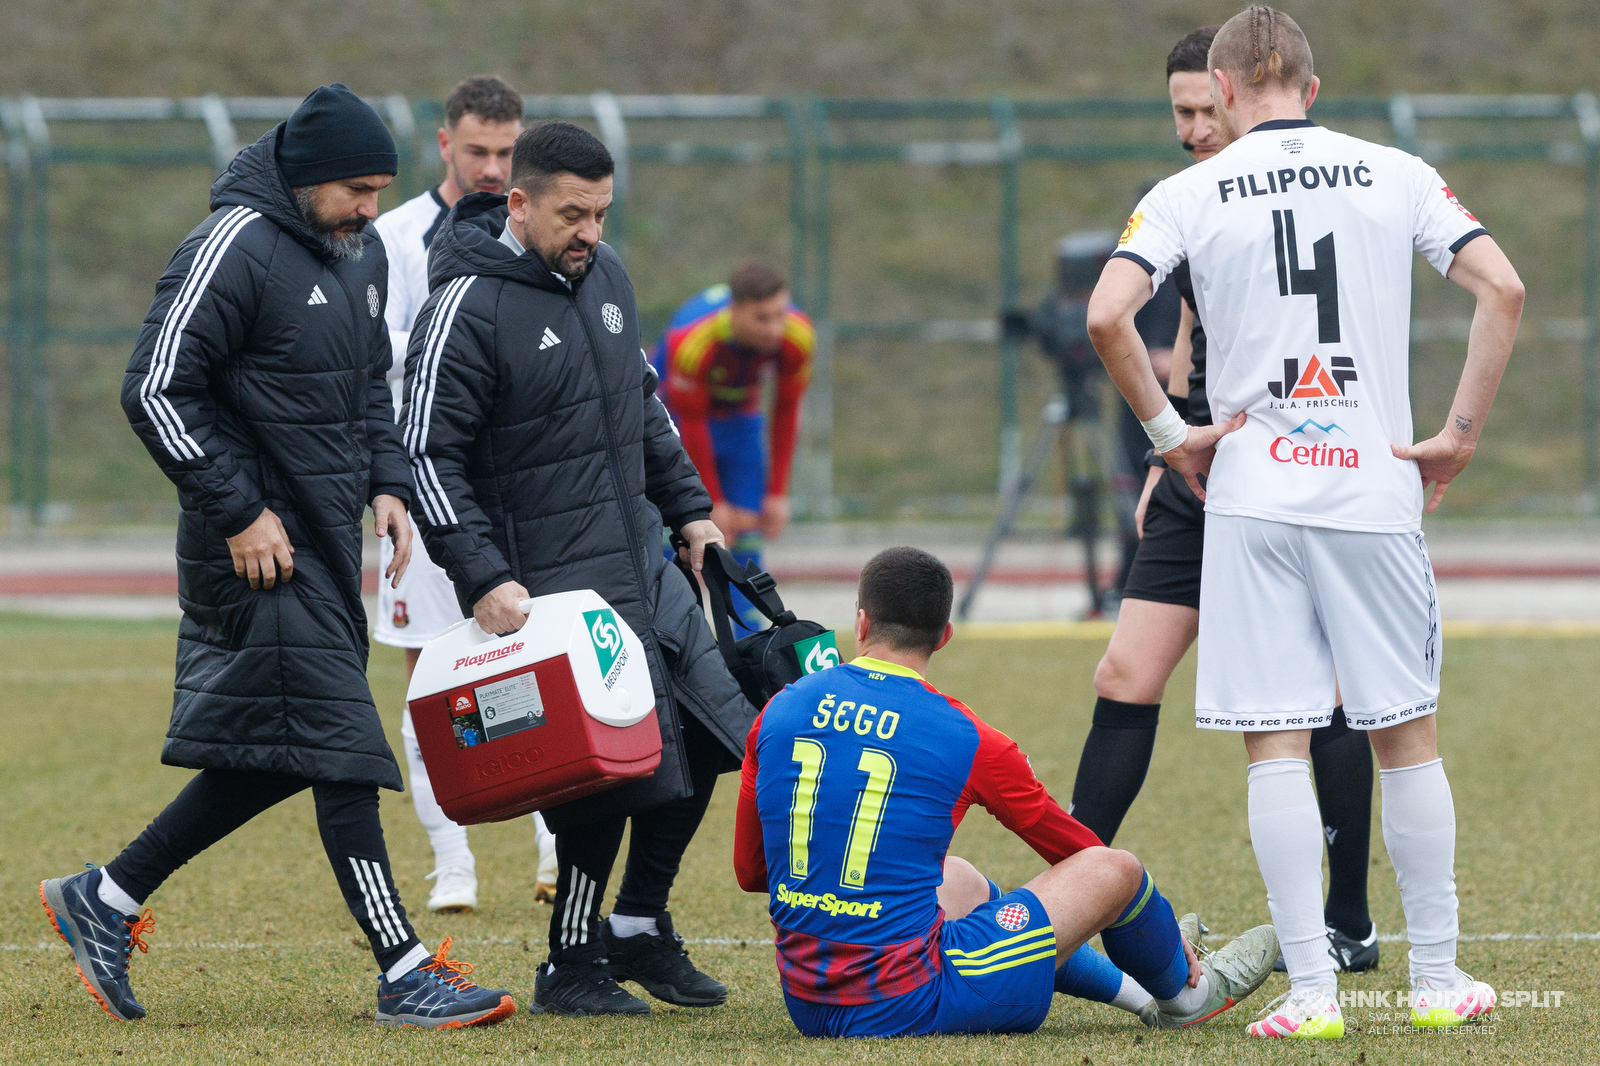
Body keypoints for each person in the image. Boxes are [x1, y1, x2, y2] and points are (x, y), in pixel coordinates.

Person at [1089, 5, 1524, 1038]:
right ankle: (1435, 980)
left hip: (1252, 497)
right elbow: (1501, 287)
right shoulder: (1397, 172)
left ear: (1226, 92)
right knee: (1404, 736)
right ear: (1313, 91)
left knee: (1272, 745)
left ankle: (1312, 997)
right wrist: (1456, 434)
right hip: (1372, 493)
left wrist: (1167, 432)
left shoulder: (1186, 189)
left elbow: (1107, 313)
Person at [42, 84, 513, 1029]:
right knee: (344, 747)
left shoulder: (362, 252)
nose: (373, 210)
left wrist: (386, 481)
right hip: (252, 551)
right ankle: (403, 967)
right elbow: (155, 392)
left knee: (286, 749)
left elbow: (369, 389)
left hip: (328, 543)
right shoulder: (230, 244)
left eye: (381, 190)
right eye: (355, 190)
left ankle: (106, 897)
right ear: (303, 180)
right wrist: (241, 511)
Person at [406, 120, 757, 1016]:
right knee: (604, 776)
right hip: (549, 585)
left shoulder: (607, 277)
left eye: (600, 213)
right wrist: (481, 575)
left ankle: (637, 925)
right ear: (518, 205)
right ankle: (570, 964)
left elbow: (639, 408)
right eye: (572, 214)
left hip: (643, 556)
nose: (589, 232)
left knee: (717, 735)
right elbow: (424, 454)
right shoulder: (465, 308)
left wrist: (689, 513)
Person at [1071, 24, 1383, 978]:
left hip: (1293, 473)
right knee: (1125, 676)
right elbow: (1182, 339)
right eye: (1182, 113)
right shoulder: (1184, 199)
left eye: (1210, 109)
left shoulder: (1311, 189)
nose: (1198, 130)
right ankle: (1056, 903)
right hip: (1199, 473)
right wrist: (1169, 449)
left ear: (1246, 93)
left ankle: (1350, 923)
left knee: (1321, 697)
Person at [735, 546, 1278, 1038]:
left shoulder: (780, 707)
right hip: (905, 1000)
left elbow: (752, 873)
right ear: (945, 635)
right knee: (1119, 871)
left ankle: (1141, 994)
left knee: (959, 877)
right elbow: (1086, 856)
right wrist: (1150, 921)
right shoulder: (969, 737)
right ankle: (1190, 994)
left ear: (860, 622)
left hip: (806, 1000)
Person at [372, 74, 556, 914]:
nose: (490, 166)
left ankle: (554, 846)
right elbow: (379, 354)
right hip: (420, 488)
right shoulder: (394, 236)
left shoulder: (535, 235)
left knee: (541, 665)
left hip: (515, 488)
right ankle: (454, 866)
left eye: (505, 152)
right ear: (444, 143)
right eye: (476, 150)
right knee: (428, 683)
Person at [653, 260, 813, 626]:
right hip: (677, 418)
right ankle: (672, 632)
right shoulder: (694, 340)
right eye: (762, 318)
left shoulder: (798, 336)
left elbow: (787, 411)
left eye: (780, 314)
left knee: (746, 531)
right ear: (735, 311)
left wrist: (777, 493)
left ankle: (752, 641)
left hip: (740, 421)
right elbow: (690, 427)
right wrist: (712, 501)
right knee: (678, 533)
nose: (775, 329)